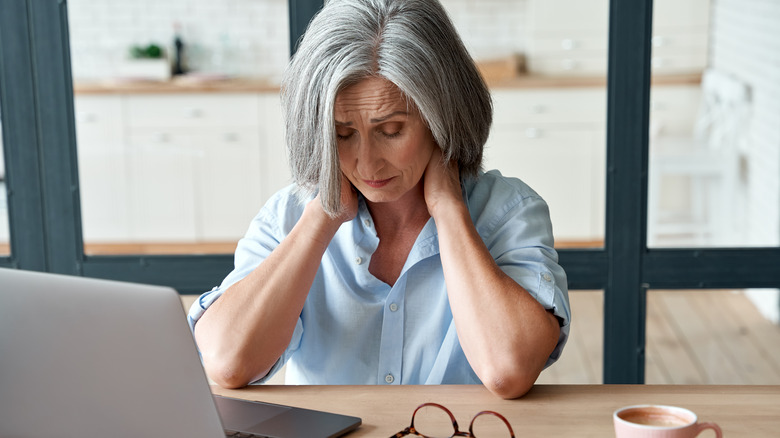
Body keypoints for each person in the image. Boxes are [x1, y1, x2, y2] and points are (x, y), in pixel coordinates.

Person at [188, 0, 570, 400]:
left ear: (443, 118)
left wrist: (449, 210)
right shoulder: (287, 217)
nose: (366, 162)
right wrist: (322, 217)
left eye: (391, 130)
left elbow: (509, 370)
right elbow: (228, 362)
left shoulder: (507, 212)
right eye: (341, 134)